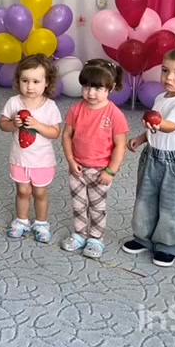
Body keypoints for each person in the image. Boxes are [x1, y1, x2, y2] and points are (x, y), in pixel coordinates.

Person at [123, 48, 175, 268]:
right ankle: (142, 238)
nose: (169, 77)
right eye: (165, 70)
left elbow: (170, 126)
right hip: (152, 156)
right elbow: (156, 129)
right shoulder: (161, 98)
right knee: (145, 199)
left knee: (172, 205)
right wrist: (142, 138)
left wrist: (156, 122)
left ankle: (167, 246)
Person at [60, 59, 129, 259]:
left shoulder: (115, 114)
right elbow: (67, 136)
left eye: (98, 88)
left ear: (111, 88)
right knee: (78, 205)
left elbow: (120, 145)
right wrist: (71, 161)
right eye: (87, 86)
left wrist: (111, 171)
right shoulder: (76, 109)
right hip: (77, 168)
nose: (91, 93)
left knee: (97, 208)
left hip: (101, 171)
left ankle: (96, 239)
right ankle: (80, 234)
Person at [0, 54, 62, 243]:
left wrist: (37, 125)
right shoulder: (14, 102)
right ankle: (22, 220)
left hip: (42, 161)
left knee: (40, 193)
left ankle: (41, 223)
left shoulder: (50, 106)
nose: (30, 86)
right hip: (19, 159)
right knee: (23, 191)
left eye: (36, 81)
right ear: (18, 80)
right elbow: (3, 124)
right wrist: (13, 124)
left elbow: (55, 132)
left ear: (47, 82)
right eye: (25, 80)